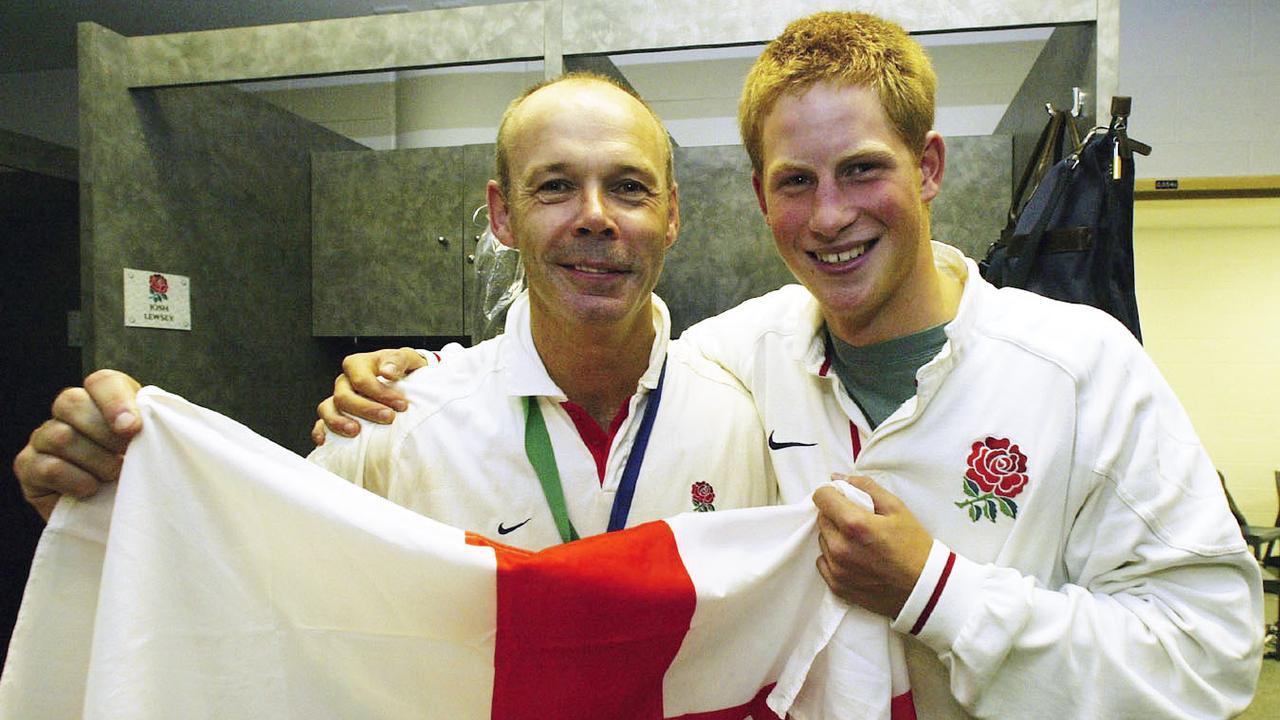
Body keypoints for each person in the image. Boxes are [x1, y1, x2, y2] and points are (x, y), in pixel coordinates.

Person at [320, 11, 1265, 717]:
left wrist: (941, 592)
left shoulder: (1079, 367)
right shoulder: (736, 360)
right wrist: (412, 382)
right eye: (795, 182)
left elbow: (1215, 653)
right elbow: (601, 360)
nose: (828, 216)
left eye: (862, 170)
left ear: (929, 166)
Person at [11, 73, 780, 551]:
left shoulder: (748, 418)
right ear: (502, 215)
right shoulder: (398, 420)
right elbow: (247, 568)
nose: (594, 217)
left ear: (672, 214)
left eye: (629, 187)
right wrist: (101, 511)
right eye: (553, 186)